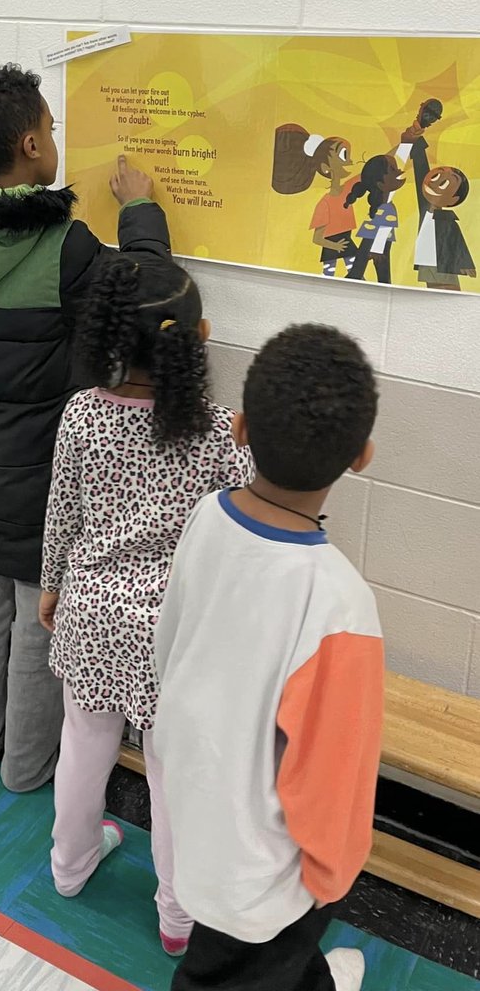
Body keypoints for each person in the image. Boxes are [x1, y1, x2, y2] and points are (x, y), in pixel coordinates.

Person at [0, 64, 172, 793]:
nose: (57, 139)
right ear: (31, 144)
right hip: (45, 475)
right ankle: (28, 769)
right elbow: (150, 291)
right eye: (54, 130)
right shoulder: (65, 247)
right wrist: (140, 210)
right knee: (37, 612)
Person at [154, 324, 384, 991]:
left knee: (258, 961)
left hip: (194, 813)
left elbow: (170, 652)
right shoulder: (341, 604)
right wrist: (332, 877)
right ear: (361, 457)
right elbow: (336, 773)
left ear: (240, 428)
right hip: (267, 876)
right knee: (237, 971)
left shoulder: (205, 518)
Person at [38, 254, 253, 956]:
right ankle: (178, 914)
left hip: (91, 610)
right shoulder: (221, 429)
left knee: (83, 744)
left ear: (104, 340)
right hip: (176, 632)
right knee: (170, 774)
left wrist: (51, 585)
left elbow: (62, 511)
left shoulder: (81, 415)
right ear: (200, 338)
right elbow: (245, 527)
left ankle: (69, 866)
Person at [404, 103, 476, 290]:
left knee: (447, 293)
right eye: (437, 175)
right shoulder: (425, 205)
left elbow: (455, 239)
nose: (434, 181)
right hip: (428, 260)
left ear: (453, 200)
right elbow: (421, 169)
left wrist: (465, 263)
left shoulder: (446, 219)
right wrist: (416, 138)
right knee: (434, 292)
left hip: (442, 262)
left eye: (443, 183)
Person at [271, 124, 355, 276]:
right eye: (344, 155)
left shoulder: (348, 190)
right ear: (325, 168)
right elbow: (317, 238)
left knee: (357, 274)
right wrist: (335, 246)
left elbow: (375, 169)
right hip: (333, 247)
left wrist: (403, 145)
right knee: (328, 277)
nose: (350, 162)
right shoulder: (325, 204)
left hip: (346, 243)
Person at [344, 154, 406, 283]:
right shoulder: (387, 206)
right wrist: (377, 249)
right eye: (393, 170)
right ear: (380, 184)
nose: (399, 171)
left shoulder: (386, 201)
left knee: (366, 265)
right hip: (377, 237)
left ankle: (370, 281)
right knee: (372, 266)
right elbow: (384, 225)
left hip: (376, 235)